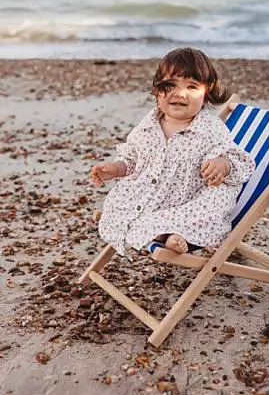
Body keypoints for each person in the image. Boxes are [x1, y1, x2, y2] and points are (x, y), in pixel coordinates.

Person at [90, 47, 254, 257]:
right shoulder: (149, 124)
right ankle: (162, 235)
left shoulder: (210, 129)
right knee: (118, 208)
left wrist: (223, 164)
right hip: (152, 198)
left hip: (190, 201)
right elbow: (132, 158)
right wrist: (115, 168)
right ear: (157, 91)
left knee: (208, 210)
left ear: (206, 95)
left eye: (192, 86)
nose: (180, 93)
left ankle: (173, 235)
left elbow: (242, 161)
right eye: (170, 85)